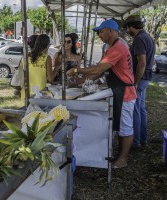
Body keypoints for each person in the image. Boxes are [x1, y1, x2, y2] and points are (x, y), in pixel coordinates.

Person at [66, 19, 137, 168]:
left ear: (111, 31)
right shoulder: (110, 47)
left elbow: (99, 69)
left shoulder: (119, 47)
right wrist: (81, 82)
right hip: (118, 90)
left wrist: (77, 70)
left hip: (125, 92)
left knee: (125, 127)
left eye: (101, 31)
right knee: (119, 125)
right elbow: (100, 71)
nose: (99, 35)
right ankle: (116, 153)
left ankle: (123, 159)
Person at [123, 15, 156, 148]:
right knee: (141, 109)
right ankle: (143, 139)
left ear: (132, 26)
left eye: (127, 28)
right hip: (146, 77)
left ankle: (136, 141)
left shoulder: (139, 39)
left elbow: (141, 63)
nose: (127, 31)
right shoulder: (148, 37)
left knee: (135, 110)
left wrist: (135, 83)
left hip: (141, 79)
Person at [20, 34, 59, 105]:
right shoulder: (47, 58)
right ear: (47, 45)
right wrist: (56, 67)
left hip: (26, 91)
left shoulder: (26, 57)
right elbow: (50, 79)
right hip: (39, 93)